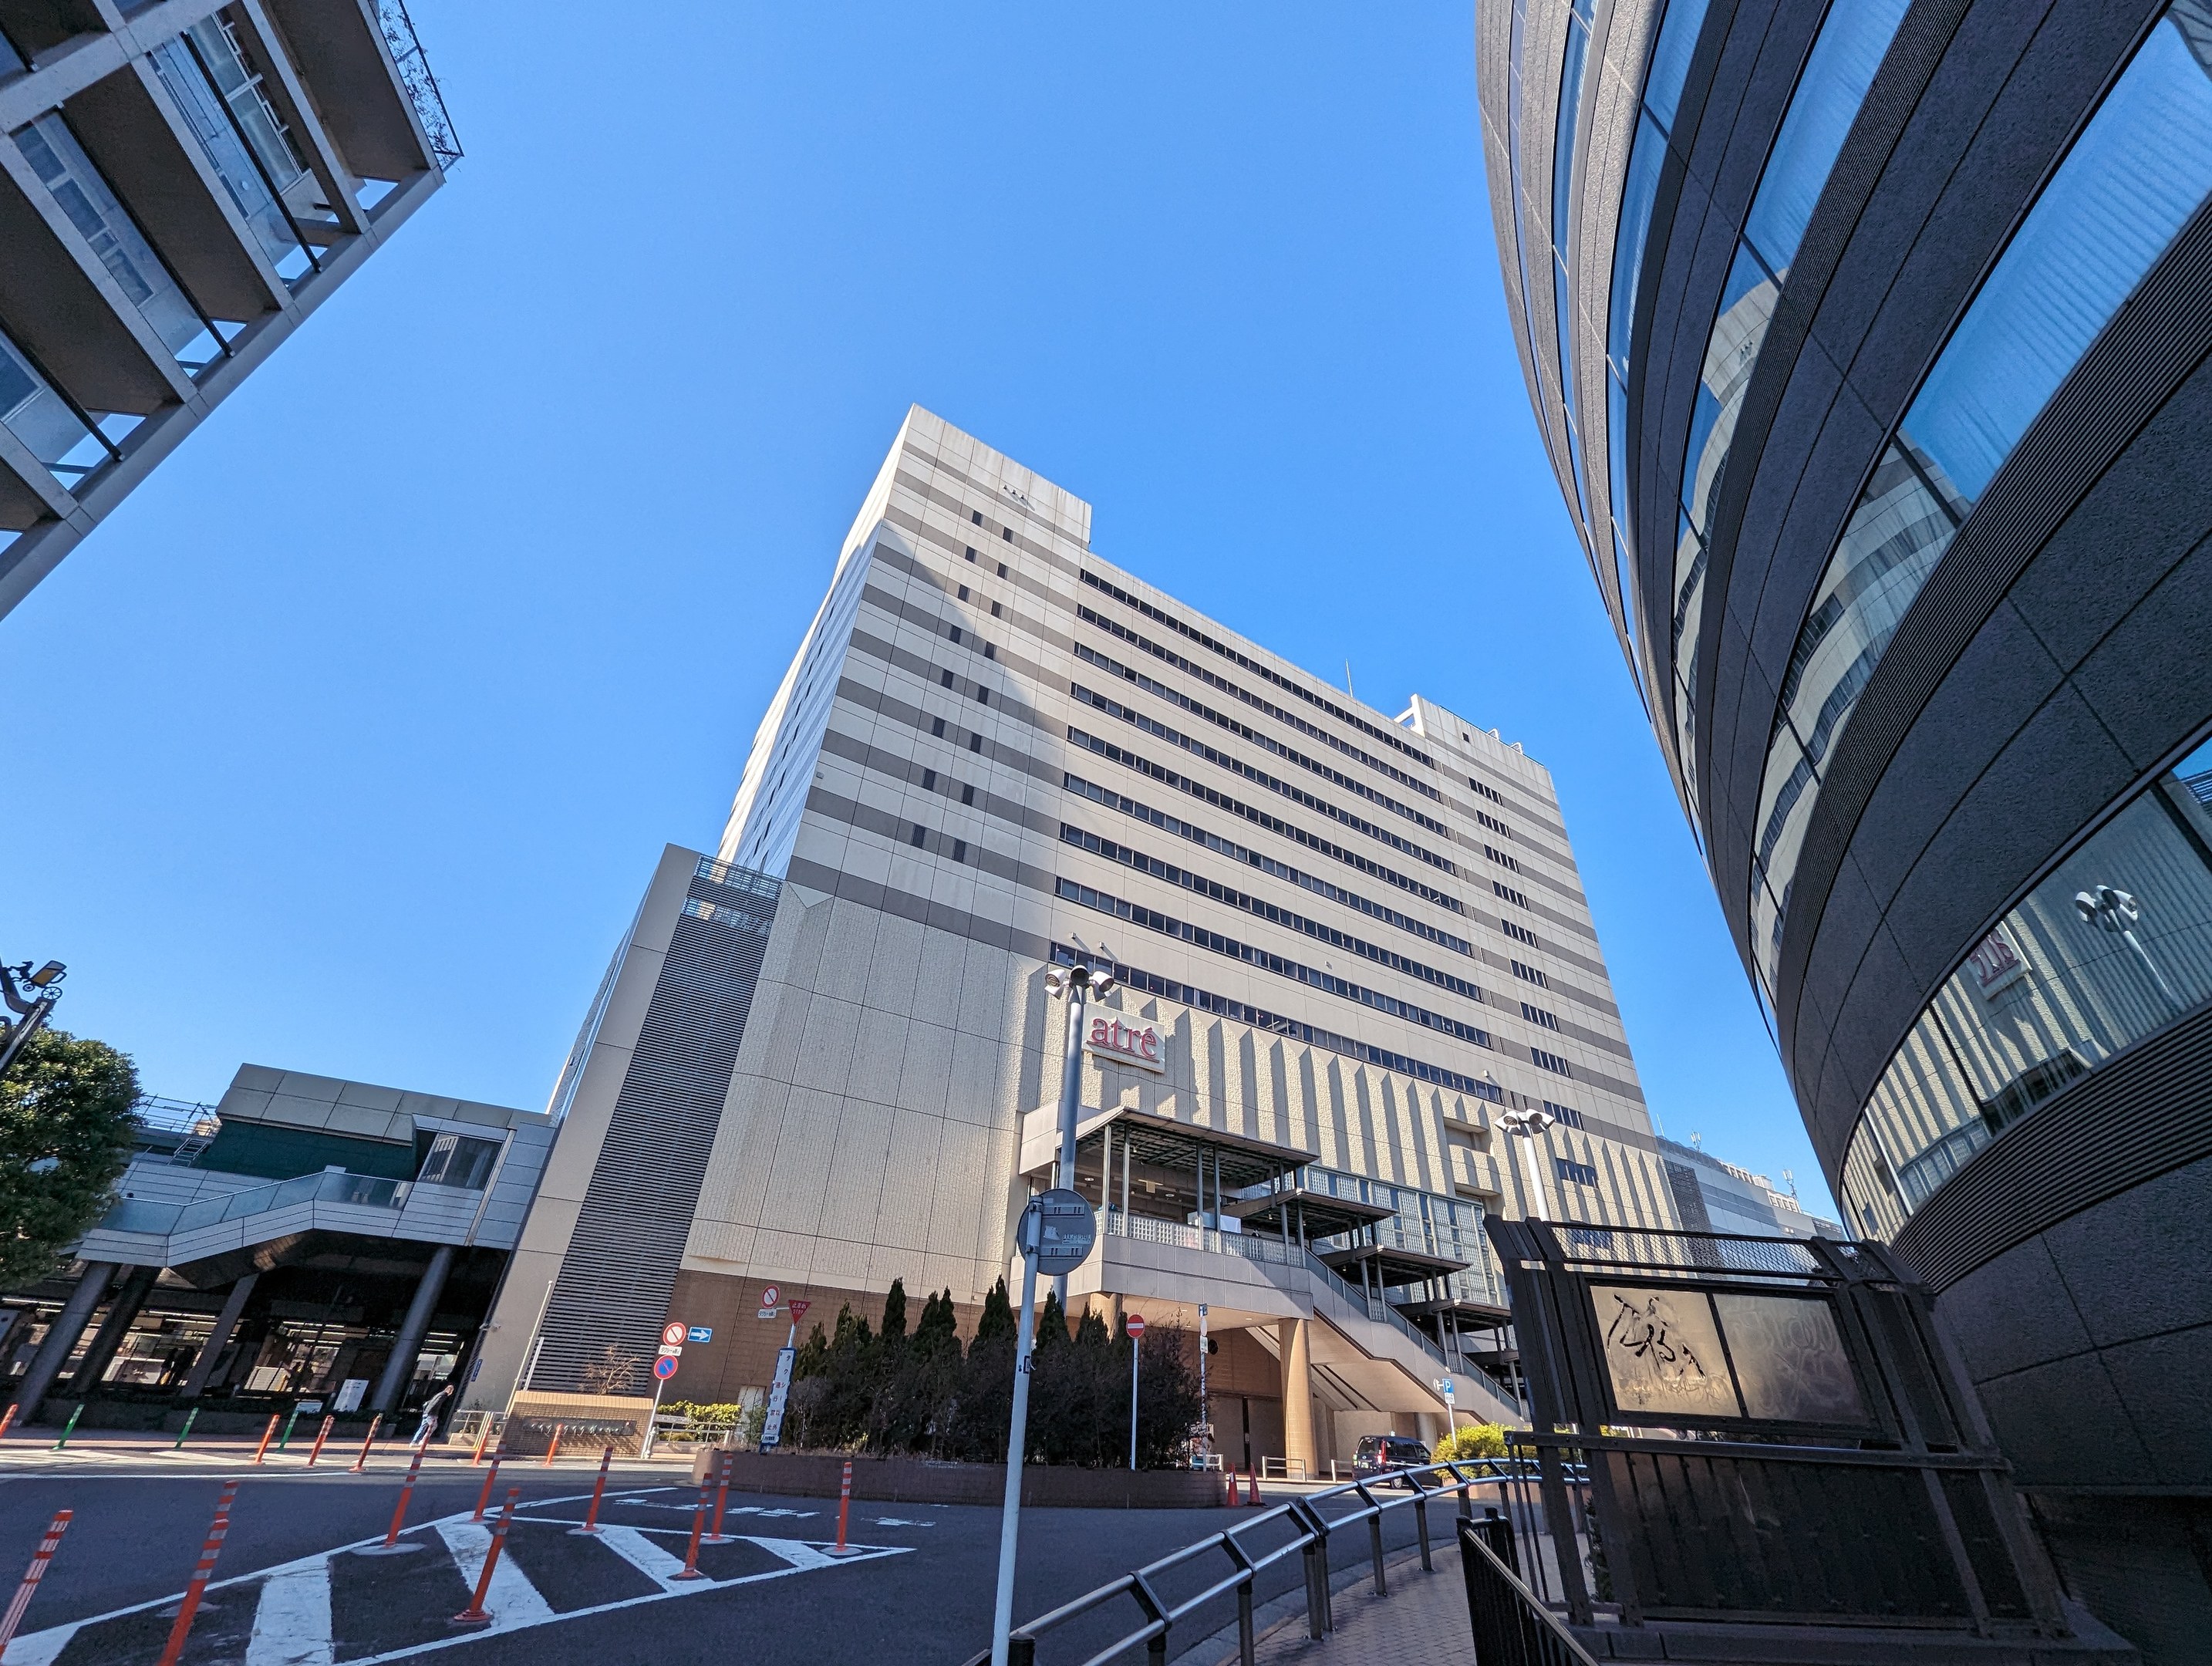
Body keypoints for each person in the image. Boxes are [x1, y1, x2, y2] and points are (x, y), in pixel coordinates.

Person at [411, 1382, 454, 1446]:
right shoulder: (443, 1395)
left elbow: (428, 1403)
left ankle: (414, 1442)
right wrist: (429, 1412)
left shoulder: (439, 1394)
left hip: (427, 1413)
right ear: (450, 1391)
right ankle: (423, 1441)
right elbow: (435, 1404)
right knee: (433, 1426)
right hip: (431, 1414)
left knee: (422, 1428)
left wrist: (425, 1411)